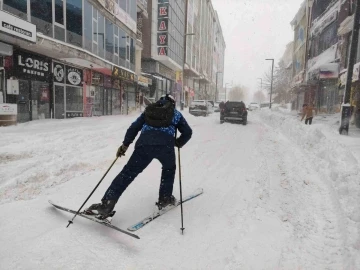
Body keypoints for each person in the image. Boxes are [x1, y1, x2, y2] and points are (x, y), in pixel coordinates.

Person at [85, 94, 192, 219]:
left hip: (144, 146)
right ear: (173, 103)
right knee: (169, 169)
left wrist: (125, 145)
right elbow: (188, 132)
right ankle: (165, 199)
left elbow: (134, 127)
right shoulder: (176, 114)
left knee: (127, 173)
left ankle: (107, 204)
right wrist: (178, 143)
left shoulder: (149, 110)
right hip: (165, 147)